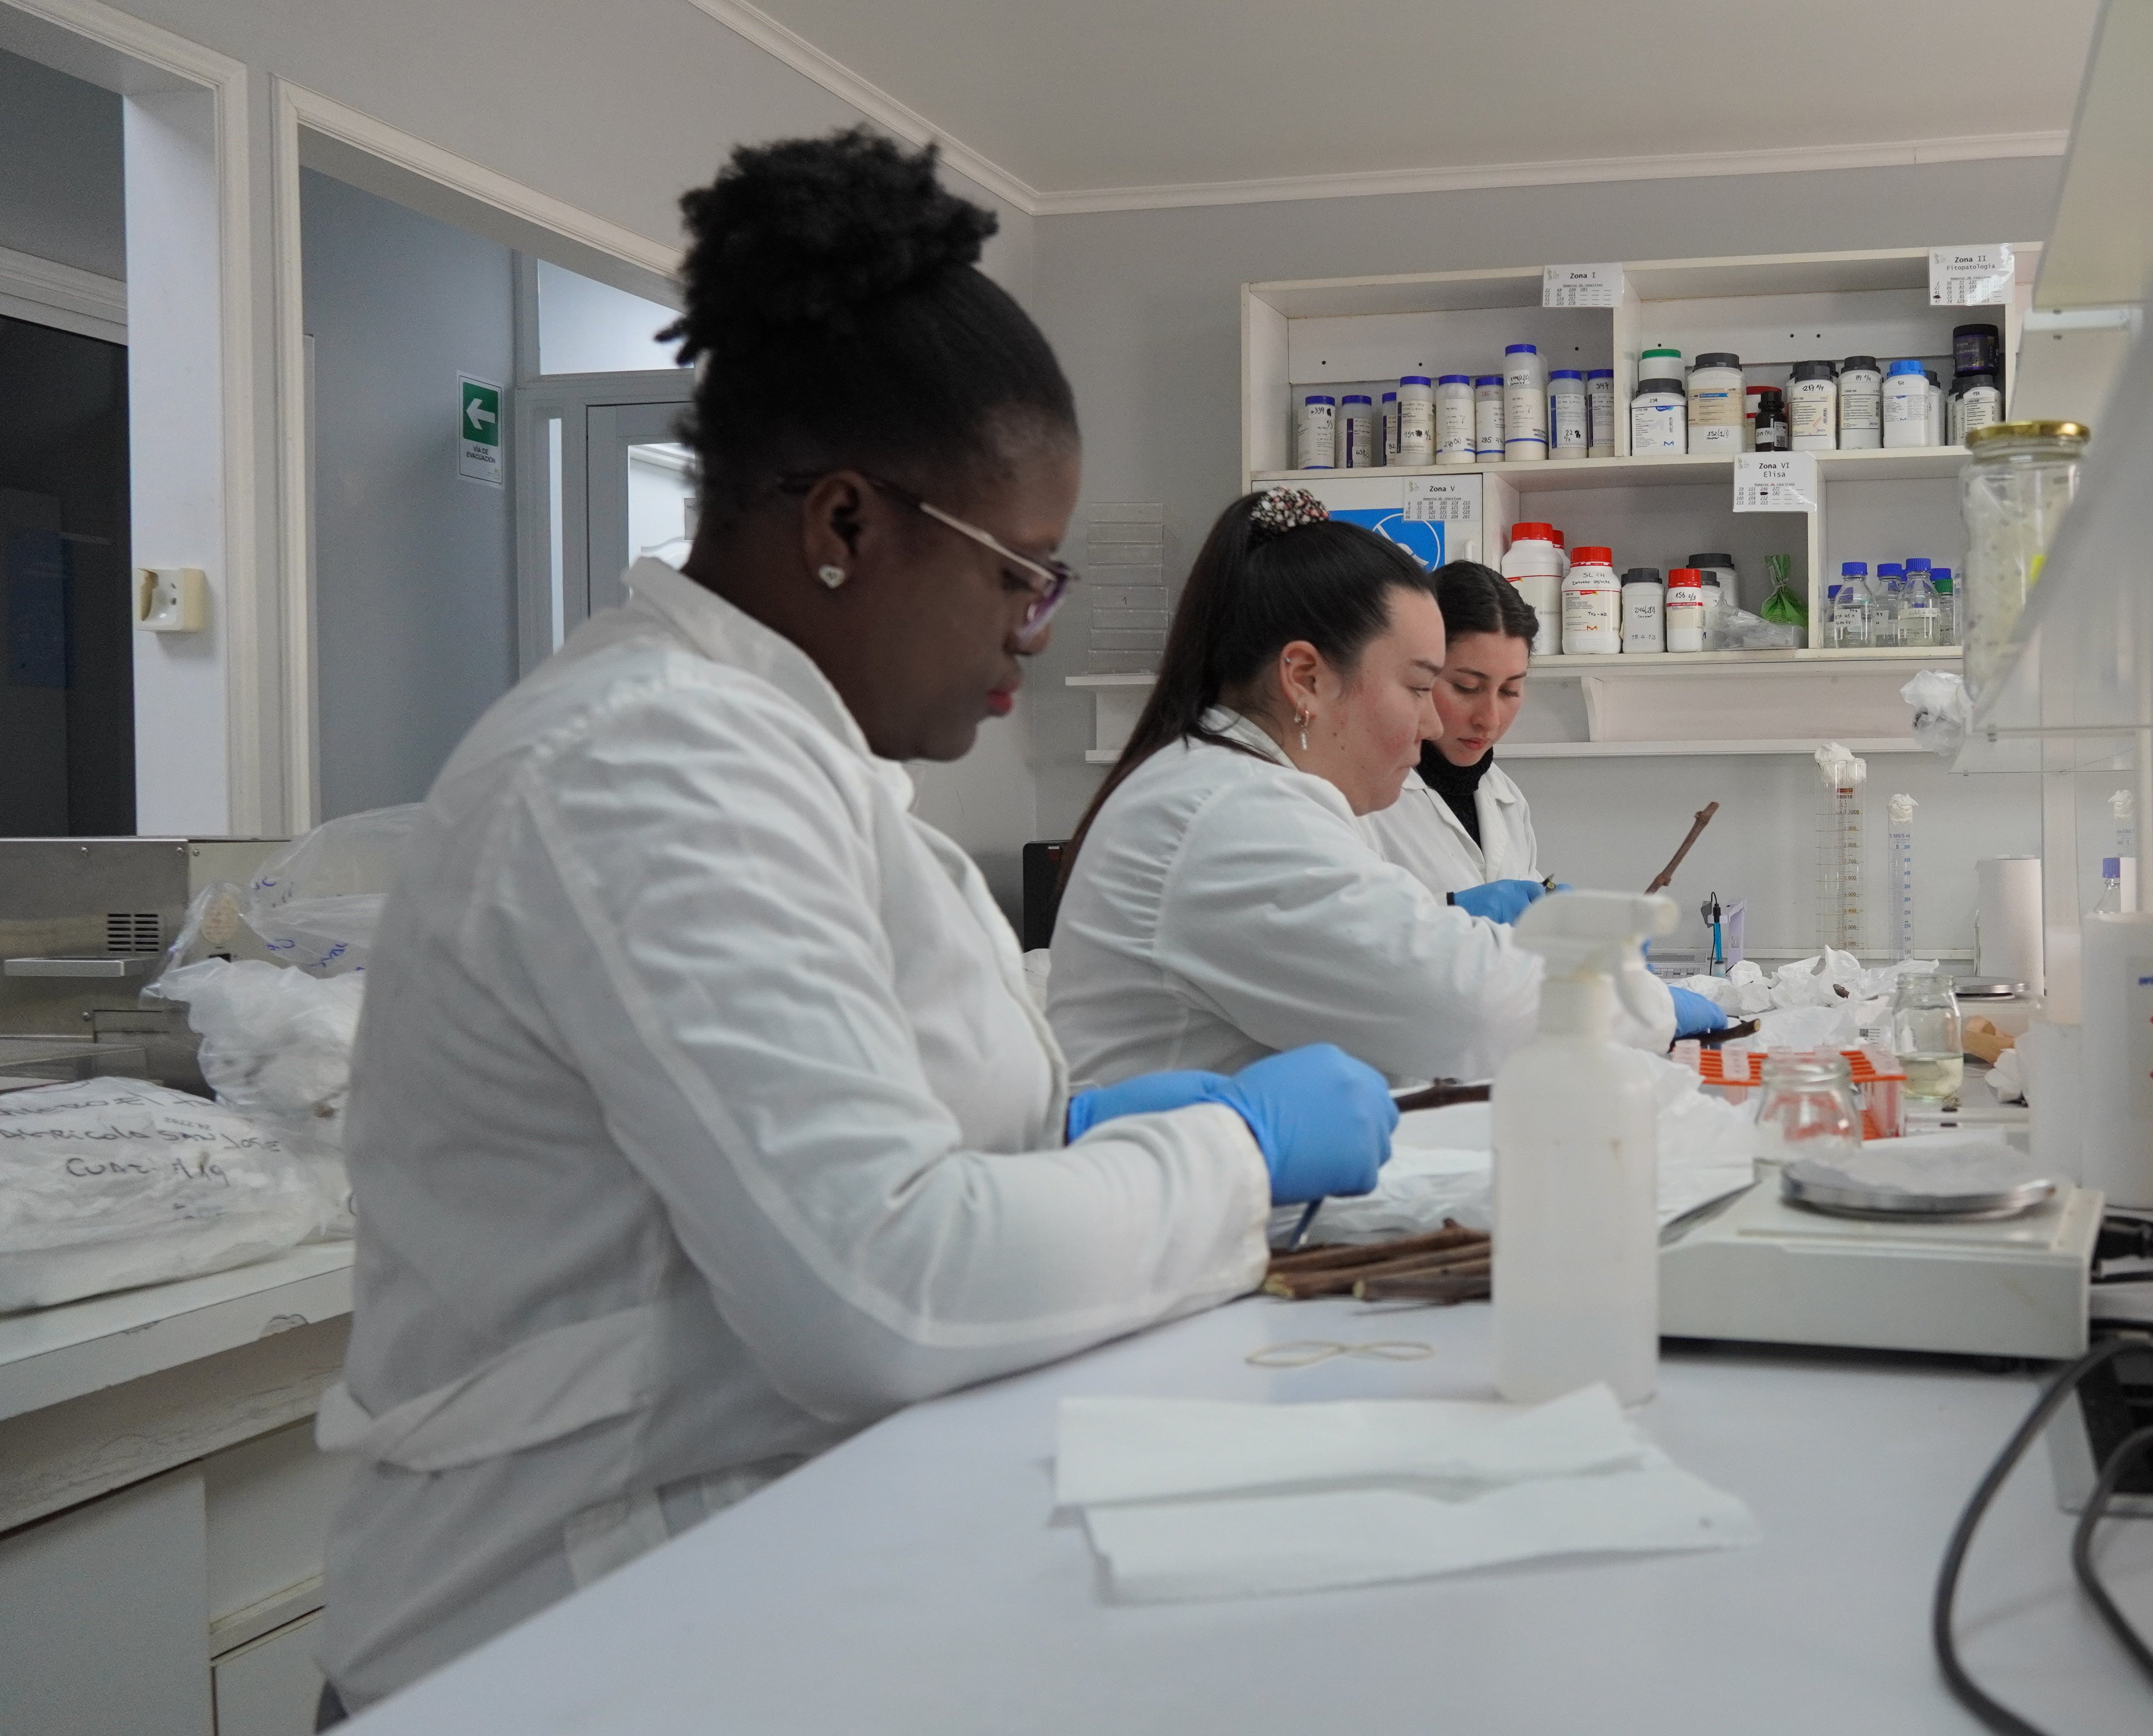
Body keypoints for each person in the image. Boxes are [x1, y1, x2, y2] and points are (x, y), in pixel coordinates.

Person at [312, 134, 1393, 1720]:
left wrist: (1060, 1136)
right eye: (1020, 577)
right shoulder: (644, 765)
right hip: (555, 1646)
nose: (1034, 632)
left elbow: (836, 1158)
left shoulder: (784, 756)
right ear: (842, 522)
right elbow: (883, 1289)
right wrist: (1228, 1154)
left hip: (742, 1596)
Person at [1046, 490, 1726, 1089]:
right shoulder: (1230, 813)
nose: (1433, 720)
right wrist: (1648, 1007)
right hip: (1189, 1213)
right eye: (1420, 686)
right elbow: (1464, 1003)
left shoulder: (1229, 787)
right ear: (1306, 679)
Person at [1362, 561, 1542, 898]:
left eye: (1509, 691)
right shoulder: (1362, 796)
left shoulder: (1507, 797)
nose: (1489, 720)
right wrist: (1451, 912)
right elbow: (1347, 931)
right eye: (1466, 687)